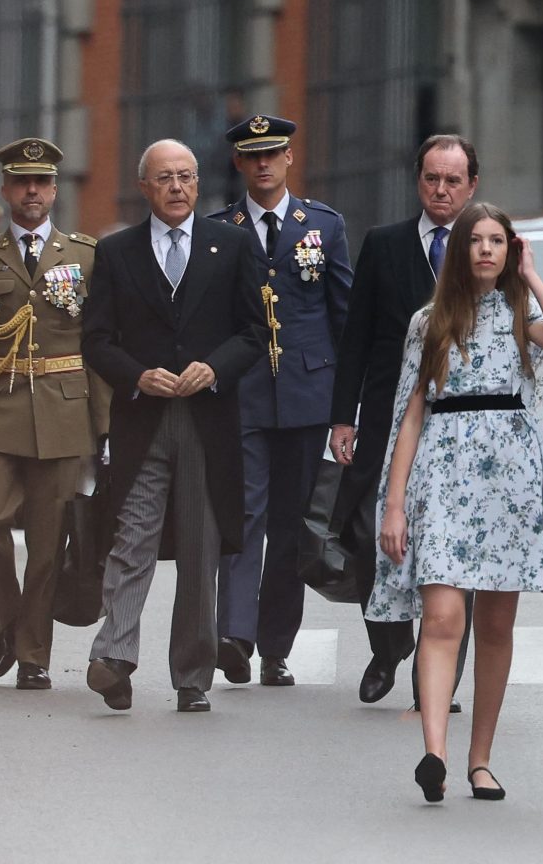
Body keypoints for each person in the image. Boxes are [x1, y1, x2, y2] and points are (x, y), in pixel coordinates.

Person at [373, 202, 543, 803]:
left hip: (509, 482)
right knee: (441, 618)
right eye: (478, 241)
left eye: (499, 241)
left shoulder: (521, 313)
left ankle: (481, 759)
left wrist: (532, 274)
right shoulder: (429, 321)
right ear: (460, 249)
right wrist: (394, 505)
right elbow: (409, 417)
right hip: (442, 475)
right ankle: (434, 753)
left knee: (495, 624)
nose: (487, 250)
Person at [81, 139, 268, 714]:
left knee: (199, 547)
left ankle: (192, 675)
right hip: (143, 419)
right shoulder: (117, 253)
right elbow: (96, 341)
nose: (178, 187)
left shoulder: (233, 245)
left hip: (207, 419)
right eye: (165, 178)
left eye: (186, 176)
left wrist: (214, 369)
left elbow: (253, 332)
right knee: (131, 537)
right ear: (145, 187)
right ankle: (114, 656)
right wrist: (138, 377)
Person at [329, 134, 479, 709]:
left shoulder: (486, 245)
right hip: (387, 410)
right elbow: (357, 336)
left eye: (452, 181)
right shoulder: (384, 244)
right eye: (431, 180)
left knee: (455, 545)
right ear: (418, 181)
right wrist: (344, 417)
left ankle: (435, 676)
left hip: (463, 422)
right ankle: (388, 645)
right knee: (367, 534)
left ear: (471, 187)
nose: (440, 191)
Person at [0, 137, 111, 689]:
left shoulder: (87, 256)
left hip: (64, 409)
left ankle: (32, 656)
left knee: (49, 541)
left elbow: (98, 344)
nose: (32, 191)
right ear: (4, 190)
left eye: (41, 182)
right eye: (21, 182)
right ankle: (7, 620)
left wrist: (105, 424)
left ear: (54, 191)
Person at [209, 114, 352, 686]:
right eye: (253, 155)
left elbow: (343, 314)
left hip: (307, 394)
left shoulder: (323, 225)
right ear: (240, 164)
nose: (264, 163)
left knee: (293, 525)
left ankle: (275, 647)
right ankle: (234, 637)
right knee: (242, 514)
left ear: (289, 159)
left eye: (273, 153)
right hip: (243, 394)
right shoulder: (222, 228)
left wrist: (349, 405)